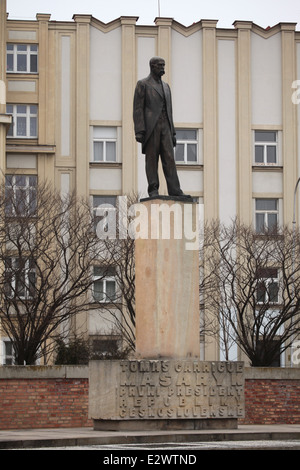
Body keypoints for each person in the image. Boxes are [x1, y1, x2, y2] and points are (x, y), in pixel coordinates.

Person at [133, 57, 189, 198]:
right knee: (152, 159)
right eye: (160, 65)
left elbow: (170, 110)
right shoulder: (143, 84)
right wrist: (139, 130)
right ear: (152, 66)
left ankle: (175, 190)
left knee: (169, 158)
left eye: (164, 65)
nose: (163, 68)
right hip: (151, 127)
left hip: (166, 128)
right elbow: (138, 108)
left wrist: (173, 133)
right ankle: (153, 190)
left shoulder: (166, 86)